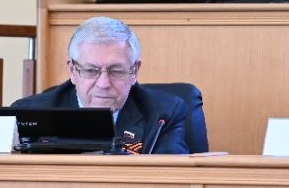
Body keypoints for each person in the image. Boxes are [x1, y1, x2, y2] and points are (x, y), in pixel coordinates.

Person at [12, 16, 191, 154]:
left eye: (116, 71)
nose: (103, 84)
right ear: (72, 71)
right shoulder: (28, 113)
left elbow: (172, 178)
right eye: (91, 70)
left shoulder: (163, 114)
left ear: (134, 71)